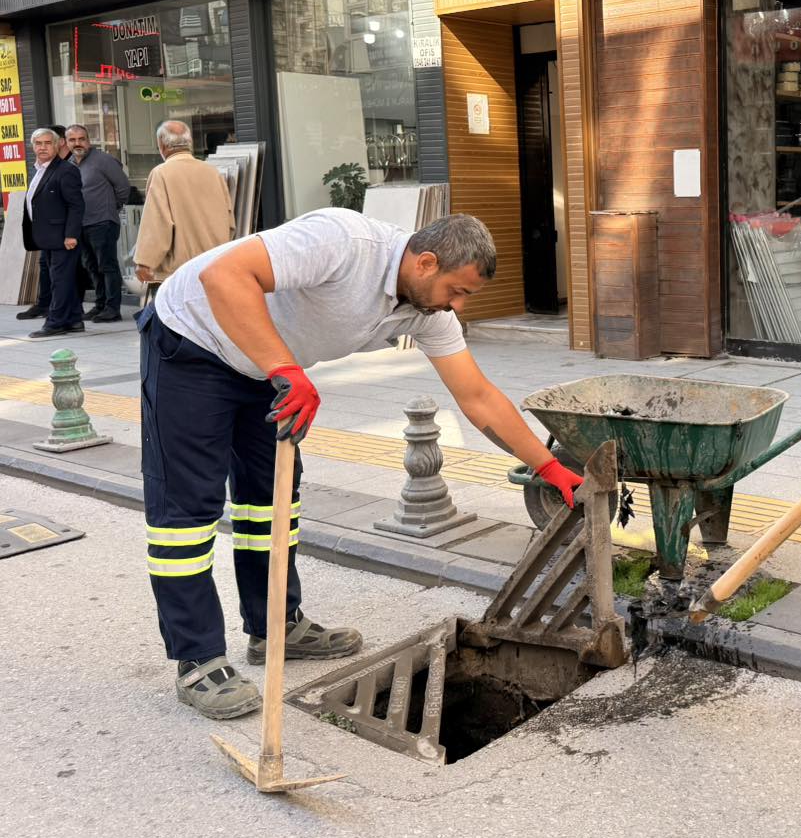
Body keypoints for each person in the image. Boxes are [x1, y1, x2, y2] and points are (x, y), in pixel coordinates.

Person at [140, 207, 584, 721]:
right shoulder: (342, 241)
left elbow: (478, 396)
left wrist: (547, 467)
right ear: (425, 263)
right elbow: (224, 275)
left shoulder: (429, 312)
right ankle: (197, 659)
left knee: (272, 500)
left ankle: (275, 625)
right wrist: (284, 368)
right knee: (186, 511)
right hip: (194, 342)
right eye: (457, 292)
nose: (457, 307)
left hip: (265, 362)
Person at [133, 121, 235, 304]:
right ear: (190, 144)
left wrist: (145, 261)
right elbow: (229, 221)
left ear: (161, 144)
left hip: (178, 270)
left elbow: (156, 222)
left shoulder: (161, 173)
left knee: (177, 322)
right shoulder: (212, 172)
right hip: (212, 263)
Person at [18, 128, 85, 339]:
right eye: (38, 143)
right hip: (46, 237)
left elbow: (77, 205)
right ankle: (74, 320)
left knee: (60, 281)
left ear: (58, 146)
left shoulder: (66, 170)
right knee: (62, 279)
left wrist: (71, 235)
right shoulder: (39, 170)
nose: (43, 147)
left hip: (63, 238)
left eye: (48, 143)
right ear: (33, 147)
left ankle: (55, 322)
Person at [66, 124, 131, 323]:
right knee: (91, 266)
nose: (78, 143)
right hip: (81, 224)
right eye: (72, 140)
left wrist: (112, 208)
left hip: (102, 222)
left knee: (107, 266)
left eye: (81, 139)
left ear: (89, 140)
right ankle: (100, 304)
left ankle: (113, 309)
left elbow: (123, 188)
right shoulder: (69, 164)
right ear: (66, 143)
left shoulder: (103, 160)